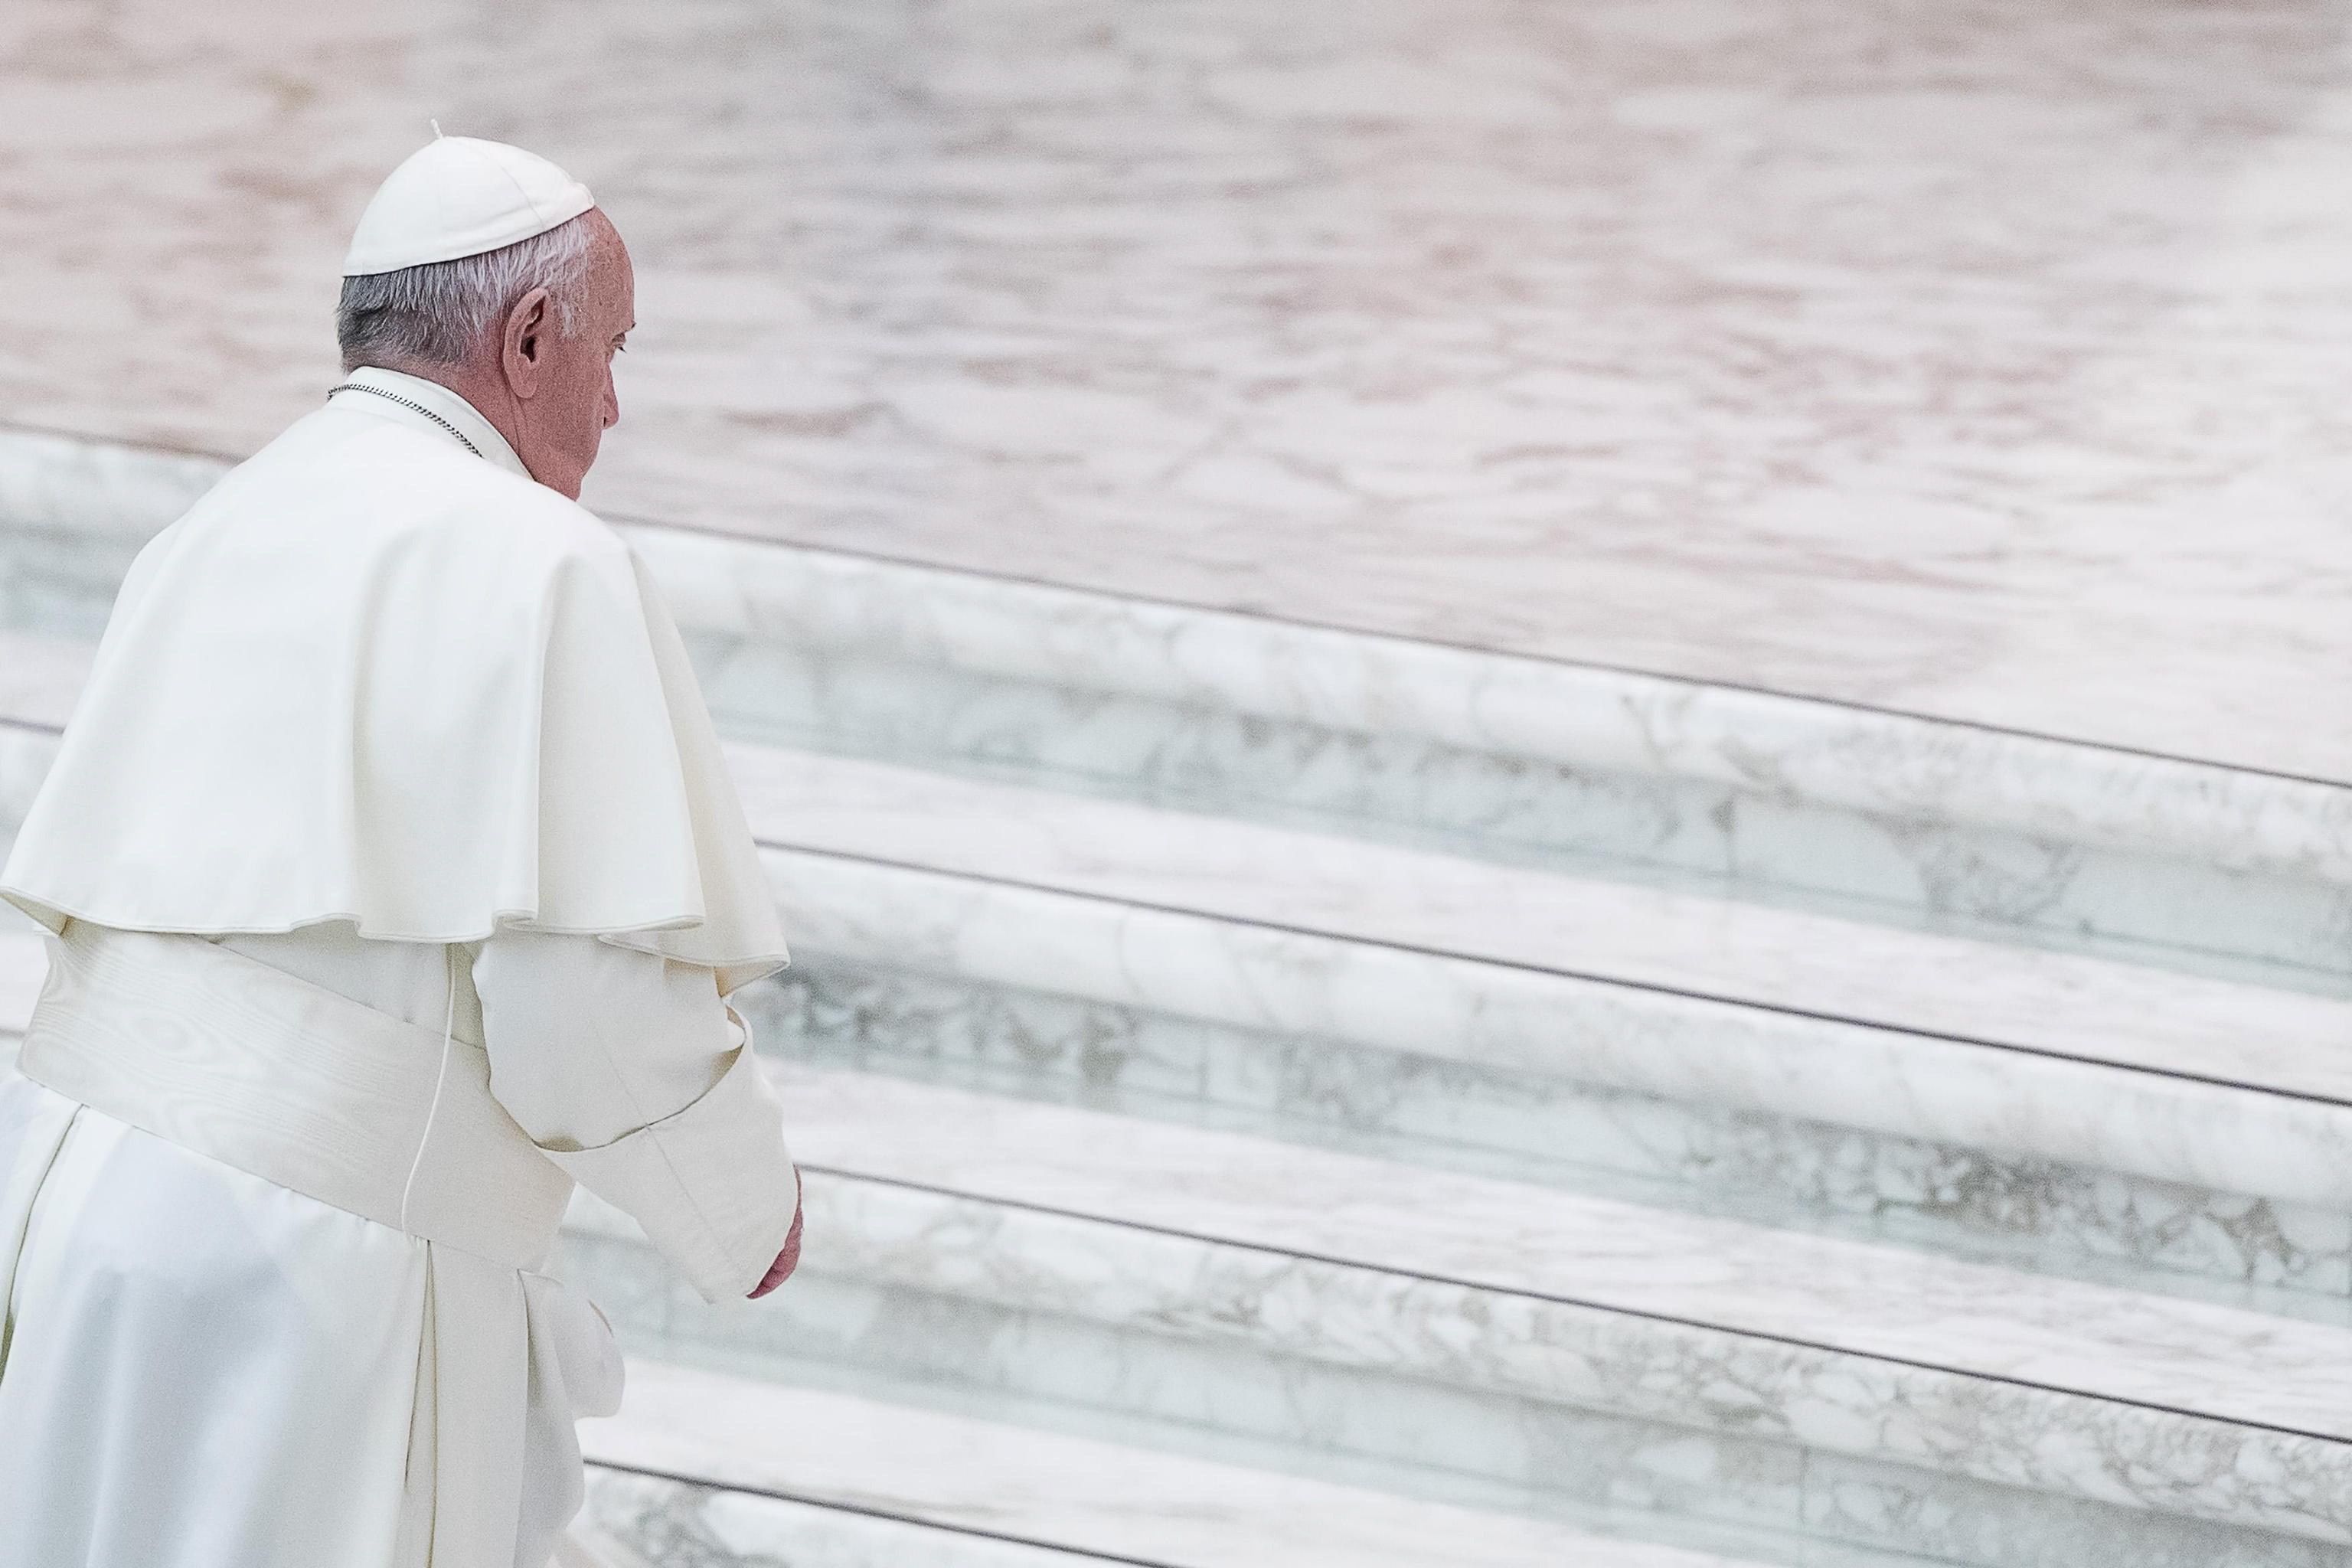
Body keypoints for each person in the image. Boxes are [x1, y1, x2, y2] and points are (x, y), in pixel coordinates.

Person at [0, 135, 803, 1568]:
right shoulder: (545, 563)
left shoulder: (213, 525)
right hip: (311, 1292)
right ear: (531, 336)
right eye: (615, 350)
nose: (616, 403)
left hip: (79, 1221)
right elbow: (581, 1008)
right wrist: (742, 1208)